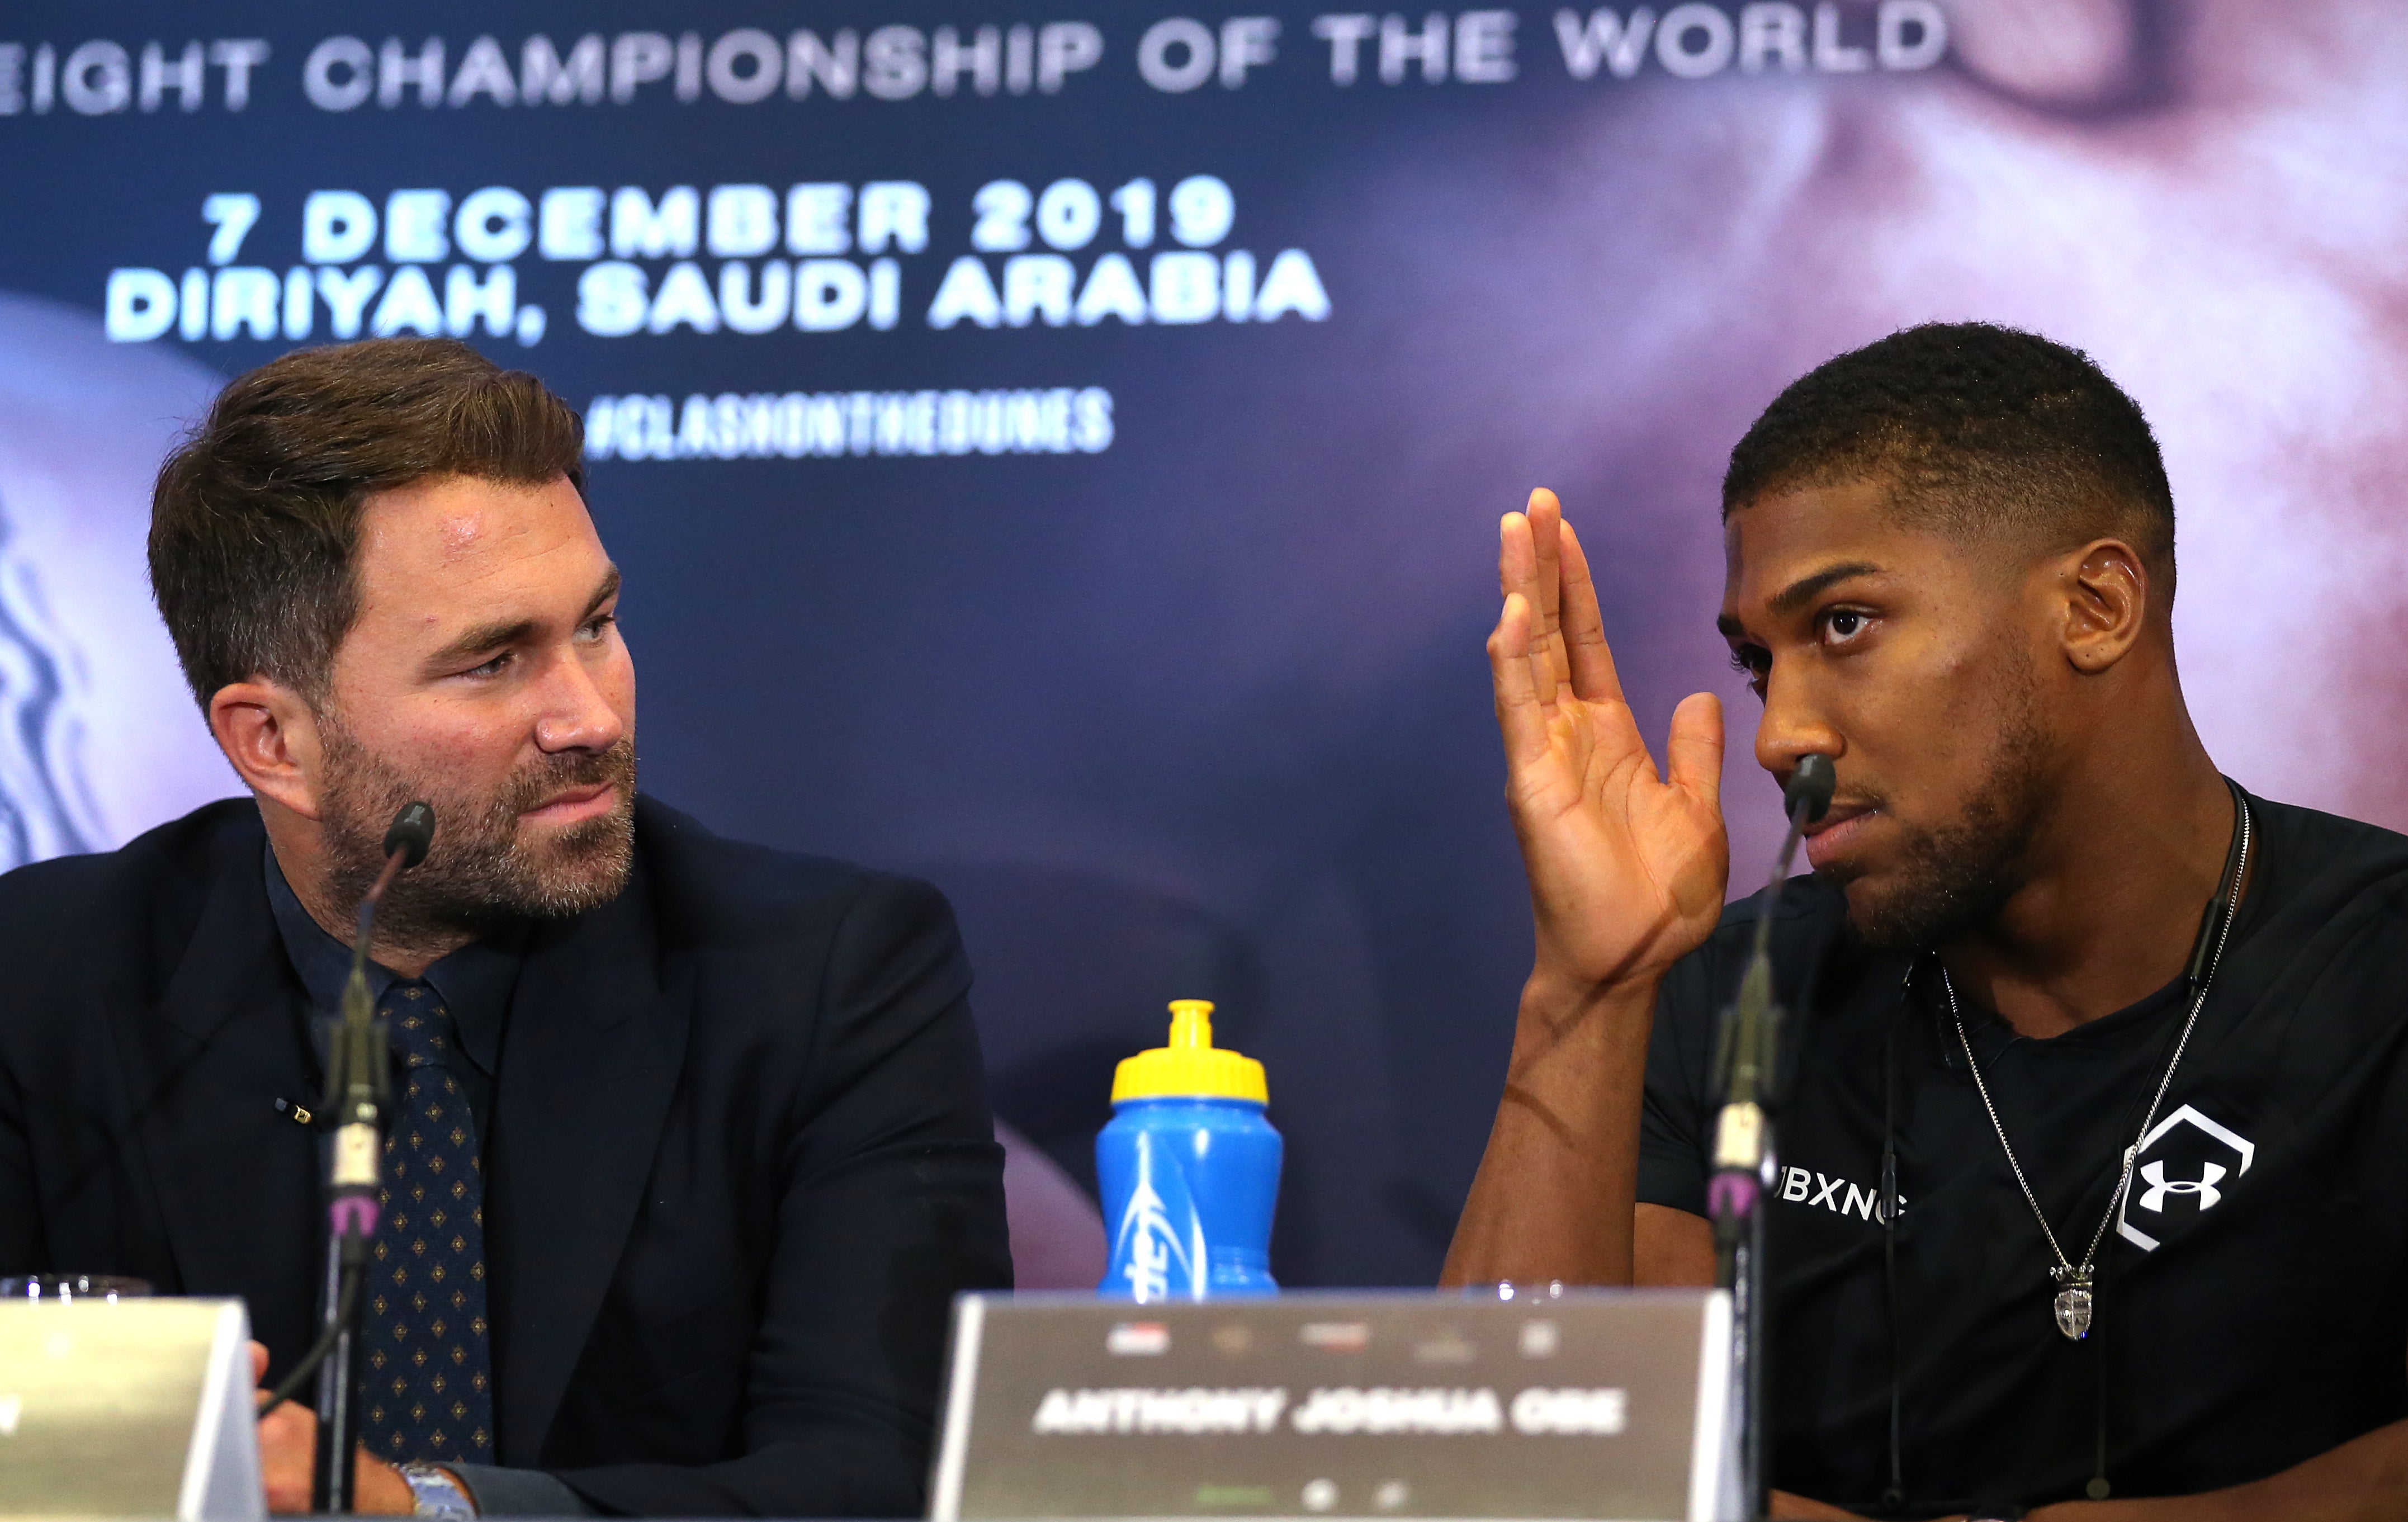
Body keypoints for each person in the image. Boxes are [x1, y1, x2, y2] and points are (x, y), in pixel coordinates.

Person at [0, 338, 1012, 1516]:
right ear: (270, 739)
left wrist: (425, 1507)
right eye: (491, 662)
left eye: (595, 624)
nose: (587, 713)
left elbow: (885, 1480)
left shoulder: (828, 976)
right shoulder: (39, 982)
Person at [1443, 323, 2408, 1519]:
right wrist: (1589, 985)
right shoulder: (1730, 990)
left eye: (1843, 624)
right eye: (1758, 663)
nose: (1780, 733)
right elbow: (1509, 1469)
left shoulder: (2382, 966)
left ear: (2097, 606)